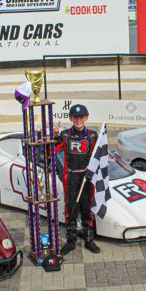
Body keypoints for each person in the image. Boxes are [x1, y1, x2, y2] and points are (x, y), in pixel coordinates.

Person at [54, 104, 101, 255]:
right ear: (71, 119)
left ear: (86, 118)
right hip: (71, 177)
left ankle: (89, 240)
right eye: (75, 117)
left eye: (81, 117)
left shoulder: (93, 136)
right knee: (71, 209)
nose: (78, 120)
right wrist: (55, 137)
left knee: (87, 209)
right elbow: (53, 150)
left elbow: (99, 157)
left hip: (87, 178)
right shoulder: (65, 135)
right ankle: (71, 241)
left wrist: (92, 172)